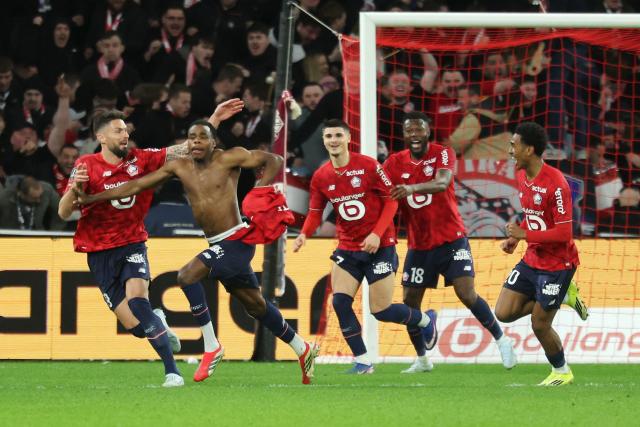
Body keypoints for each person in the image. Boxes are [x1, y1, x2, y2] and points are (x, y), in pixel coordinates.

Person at [73, 119, 320, 386]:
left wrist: (261, 191)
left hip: (237, 239)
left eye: (203, 137)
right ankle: (302, 348)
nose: (196, 142)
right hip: (217, 244)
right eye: (192, 138)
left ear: (214, 142)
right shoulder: (179, 166)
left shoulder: (229, 158)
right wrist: (91, 199)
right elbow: (135, 186)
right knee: (255, 305)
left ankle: (211, 345)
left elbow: (274, 159)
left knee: (187, 276)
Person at [58, 99, 244, 387]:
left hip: (132, 244)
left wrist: (215, 118)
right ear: (101, 137)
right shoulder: (85, 165)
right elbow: (64, 211)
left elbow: (185, 149)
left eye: (126, 131)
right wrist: (74, 189)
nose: (125, 136)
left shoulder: (141, 160)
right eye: (118, 131)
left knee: (138, 300)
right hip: (98, 252)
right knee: (135, 326)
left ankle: (172, 372)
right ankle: (158, 320)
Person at [293, 119, 434, 374]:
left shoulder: (368, 165)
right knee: (340, 302)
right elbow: (315, 212)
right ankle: (363, 361)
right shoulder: (321, 176)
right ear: (324, 141)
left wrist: (377, 234)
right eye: (328, 136)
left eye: (338, 135)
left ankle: (425, 320)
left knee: (381, 310)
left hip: (380, 246)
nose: (333, 140)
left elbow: (391, 202)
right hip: (348, 247)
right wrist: (304, 234)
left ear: (348, 138)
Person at [383, 111, 516, 373]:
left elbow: (443, 182)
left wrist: (410, 188)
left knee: (466, 293)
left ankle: (503, 341)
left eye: (419, 130)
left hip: (452, 240)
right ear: (403, 134)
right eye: (409, 131)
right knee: (410, 303)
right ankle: (422, 359)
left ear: (428, 131)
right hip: (419, 245)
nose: (415, 135)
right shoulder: (394, 163)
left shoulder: (443, 153)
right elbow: (381, 190)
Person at [495, 122, 589, 386]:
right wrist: (516, 236)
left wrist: (525, 235)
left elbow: (563, 234)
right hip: (533, 258)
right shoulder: (522, 175)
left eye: (514, 145)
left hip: (559, 264)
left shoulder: (557, 185)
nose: (510, 150)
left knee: (539, 324)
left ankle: (562, 371)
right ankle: (564, 296)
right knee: (503, 312)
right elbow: (532, 216)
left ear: (529, 149)